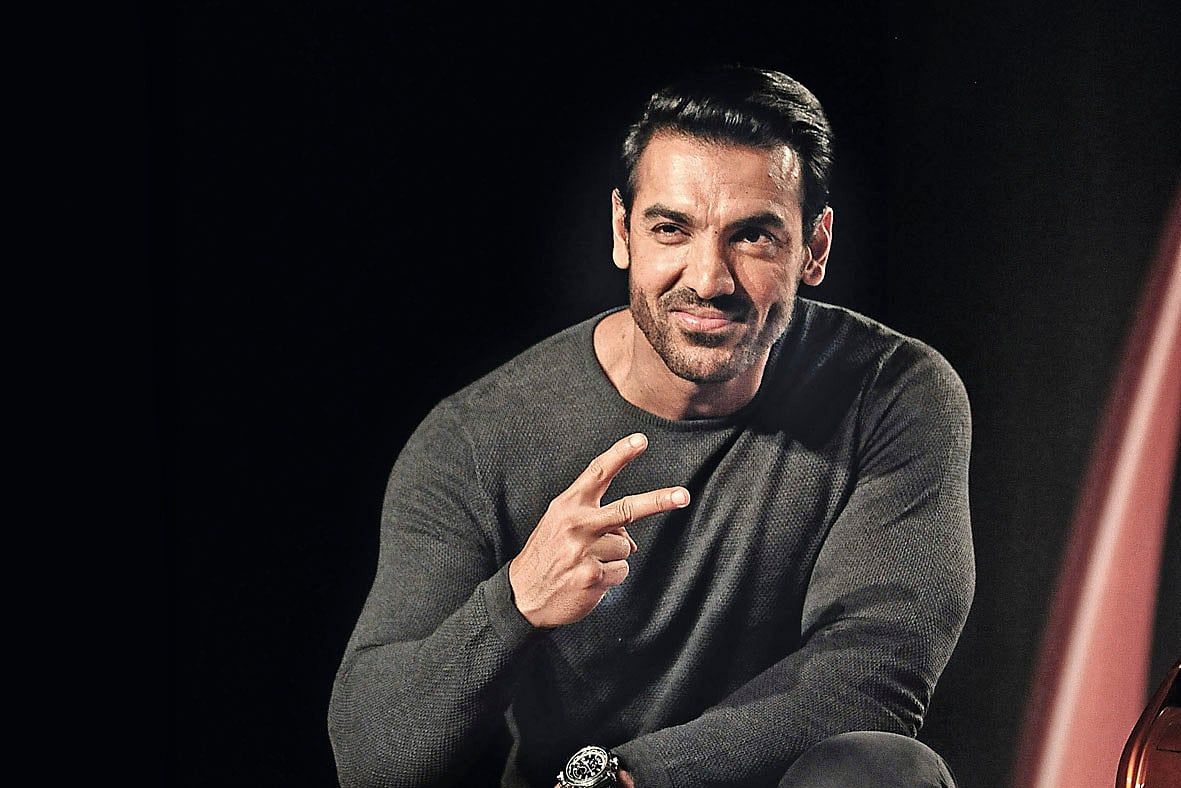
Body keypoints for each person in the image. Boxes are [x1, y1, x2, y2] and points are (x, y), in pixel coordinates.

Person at [328, 66, 973, 788]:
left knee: (885, 770)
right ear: (621, 232)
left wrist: (630, 778)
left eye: (753, 236)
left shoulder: (891, 392)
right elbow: (372, 759)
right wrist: (516, 601)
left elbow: (873, 674)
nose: (708, 279)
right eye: (671, 229)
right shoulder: (475, 441)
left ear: (813, 247)